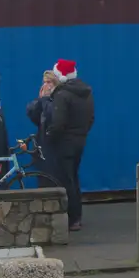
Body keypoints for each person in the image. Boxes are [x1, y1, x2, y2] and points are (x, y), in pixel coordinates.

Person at [49, 59, 94, 232]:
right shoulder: (86, 92)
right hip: (79, 140)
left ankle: (70, 218)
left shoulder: (62, 94)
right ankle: (77, 217)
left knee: (65, 179)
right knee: (73, 177)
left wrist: (50, 135)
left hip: (64, 142)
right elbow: (91, 118)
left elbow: (58, 123)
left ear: (60, 74)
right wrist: (81, 133)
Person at [26, 69, 62, 178]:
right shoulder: (44, 100)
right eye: (44, 82)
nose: (46, 85)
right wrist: (40, 99)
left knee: (54, 179)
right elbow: (33, 115)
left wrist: (45, 99)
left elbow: (51, 117)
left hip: (55, 147)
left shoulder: (59, 98)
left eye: (49, 82)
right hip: (43, 146)